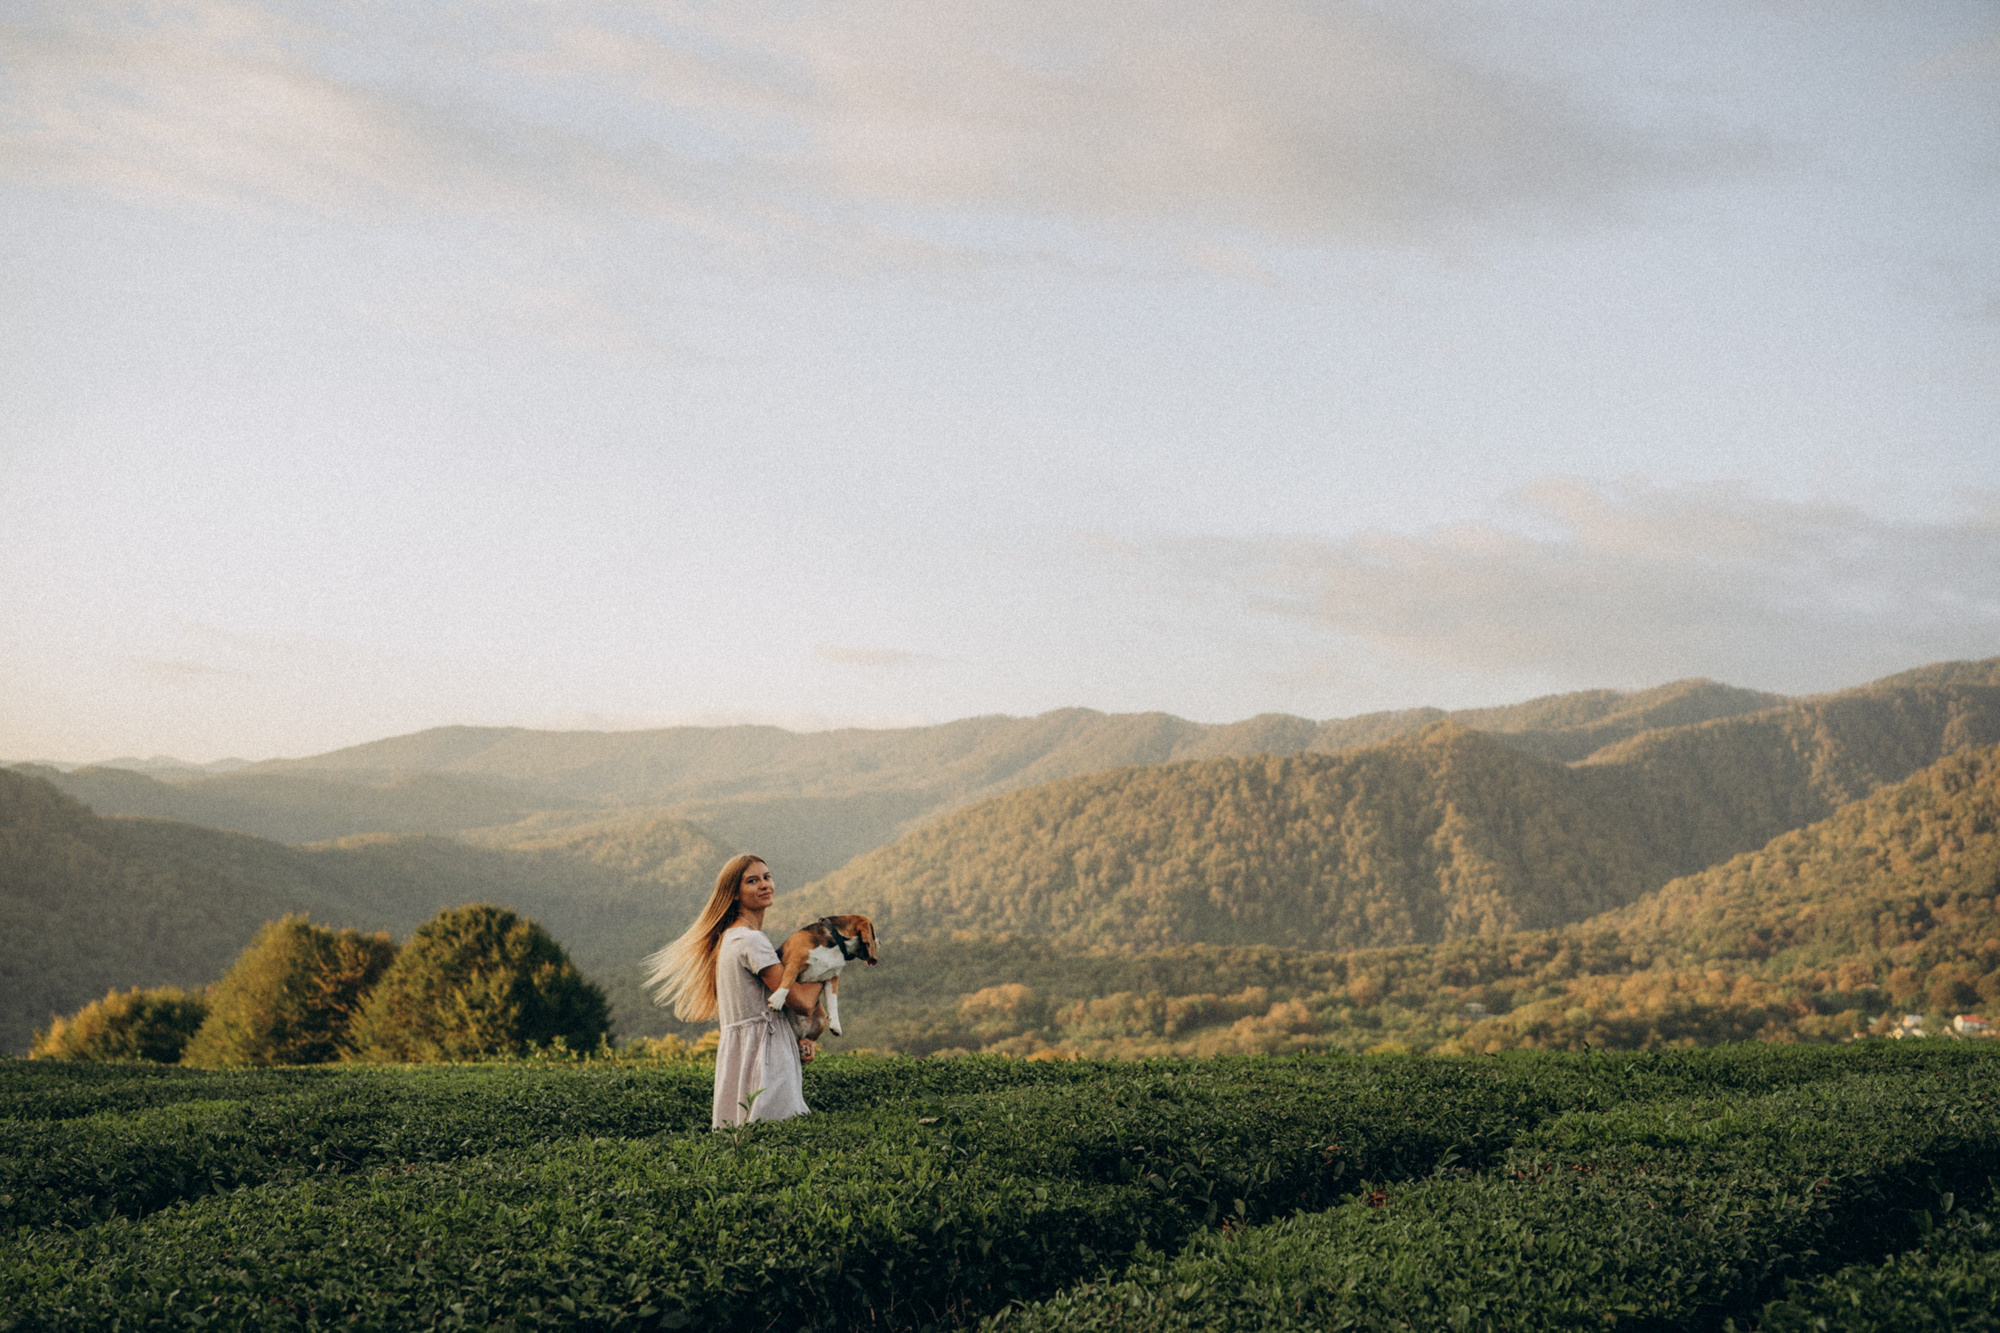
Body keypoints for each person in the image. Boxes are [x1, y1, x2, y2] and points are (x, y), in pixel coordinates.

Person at [644, 853, 823, 1127]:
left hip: (745, 1055)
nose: (764, 885)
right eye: (752, 881)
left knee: (743, 1140)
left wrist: (800, 1038)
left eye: (767, 877)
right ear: (735, 894)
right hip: (766, 1056)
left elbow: (764, 1005)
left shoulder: (731, 937)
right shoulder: (751, 941)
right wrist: (826, 968)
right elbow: (801, 1002)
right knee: (778, 1139)